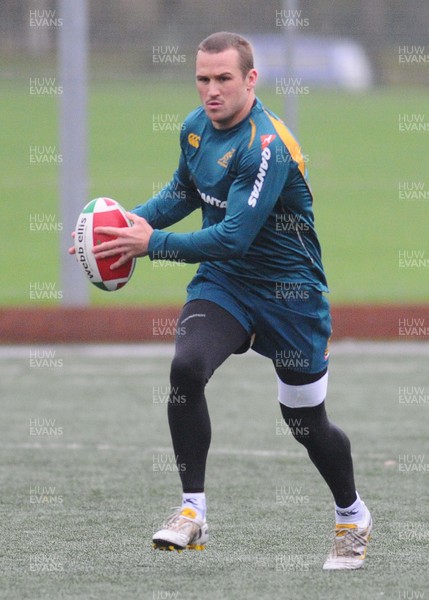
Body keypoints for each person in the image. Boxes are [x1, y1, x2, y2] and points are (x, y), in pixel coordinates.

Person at [73, 31, 372, 570]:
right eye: (203, 79)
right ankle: (192, 511)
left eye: (223, 79)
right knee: (186, 367)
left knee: (304, 421)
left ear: (251, 80)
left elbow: (234, 234)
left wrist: (154, 246)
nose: (211, 91)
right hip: (226, 285)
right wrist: (122, 230)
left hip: (291, 298)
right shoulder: (195, 130)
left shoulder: (266, 146)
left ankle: (352, 515)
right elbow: (183, 193)